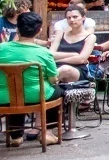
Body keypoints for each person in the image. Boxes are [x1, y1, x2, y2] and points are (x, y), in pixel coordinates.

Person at [0, 12, 74, 145]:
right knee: (58, 91)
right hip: (37, 96)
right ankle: (48, 133)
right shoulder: (44, 53)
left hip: (4, 97)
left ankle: (15, 136)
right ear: (39, 30)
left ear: (17, 29)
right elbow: (53, 80)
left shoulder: (1, 48)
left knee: (16, 93)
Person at [50, 4, 96, 74]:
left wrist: (57, 60)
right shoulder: (61, 34)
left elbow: (81, 59)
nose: (71, 20)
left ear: (83, 17)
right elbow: (50, 54)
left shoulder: (90, 37)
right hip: (56, 67)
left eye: (75, 17)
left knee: (65, 69)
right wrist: (73, 54)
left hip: (77, 69)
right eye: (68, 18)